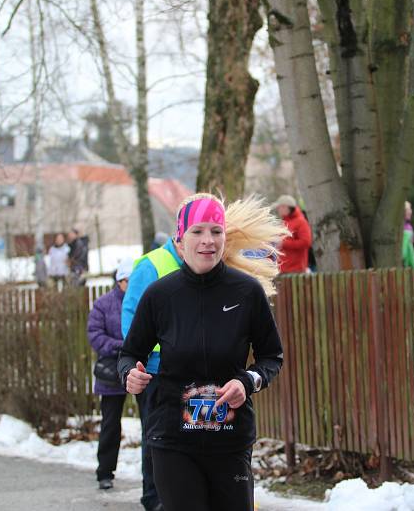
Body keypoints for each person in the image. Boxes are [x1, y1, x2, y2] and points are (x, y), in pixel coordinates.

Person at [118, 193, 287, 511]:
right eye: (197, 231)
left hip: (230, 440)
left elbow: (271, 357)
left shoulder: (247, 292)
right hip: (173, 440)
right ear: (180, 240)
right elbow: (128, 353)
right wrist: (130, 373)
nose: (208, 240)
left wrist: (247, 381)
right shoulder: (160, 295)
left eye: (216, 231)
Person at [121, 232, 185, 511]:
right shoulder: (151, 266)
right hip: (155, 372)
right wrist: (140, 361)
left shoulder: (202, 264)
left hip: (191, 371)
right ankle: (154, 498)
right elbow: (132, 319)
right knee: (157, 438)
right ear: (179, 236)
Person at [87, 259, 133, 491]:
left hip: (140, 369)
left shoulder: (143, 301)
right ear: (120, 281)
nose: (132, 284)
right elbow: (95, 335)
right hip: (111, 372)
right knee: (110, 424)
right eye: (128, 280)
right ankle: (105, 472)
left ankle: (155, 476)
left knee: (152, 423)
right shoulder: (103, 305)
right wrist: (121, 346)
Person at [273, 194, 312, 274]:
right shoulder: (284, 222)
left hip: (296, 270)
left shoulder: (301, 222)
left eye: (279, 207)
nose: (277, 210)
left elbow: (306, 242)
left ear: (285, 207)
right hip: (282, 269)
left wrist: (284, 243)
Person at [402, 201, 414, 268]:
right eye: (407, 210)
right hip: (407, 264)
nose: (410, 212)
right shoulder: (406, 229)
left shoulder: (408, 227)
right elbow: (404, 252)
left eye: (410, 209)